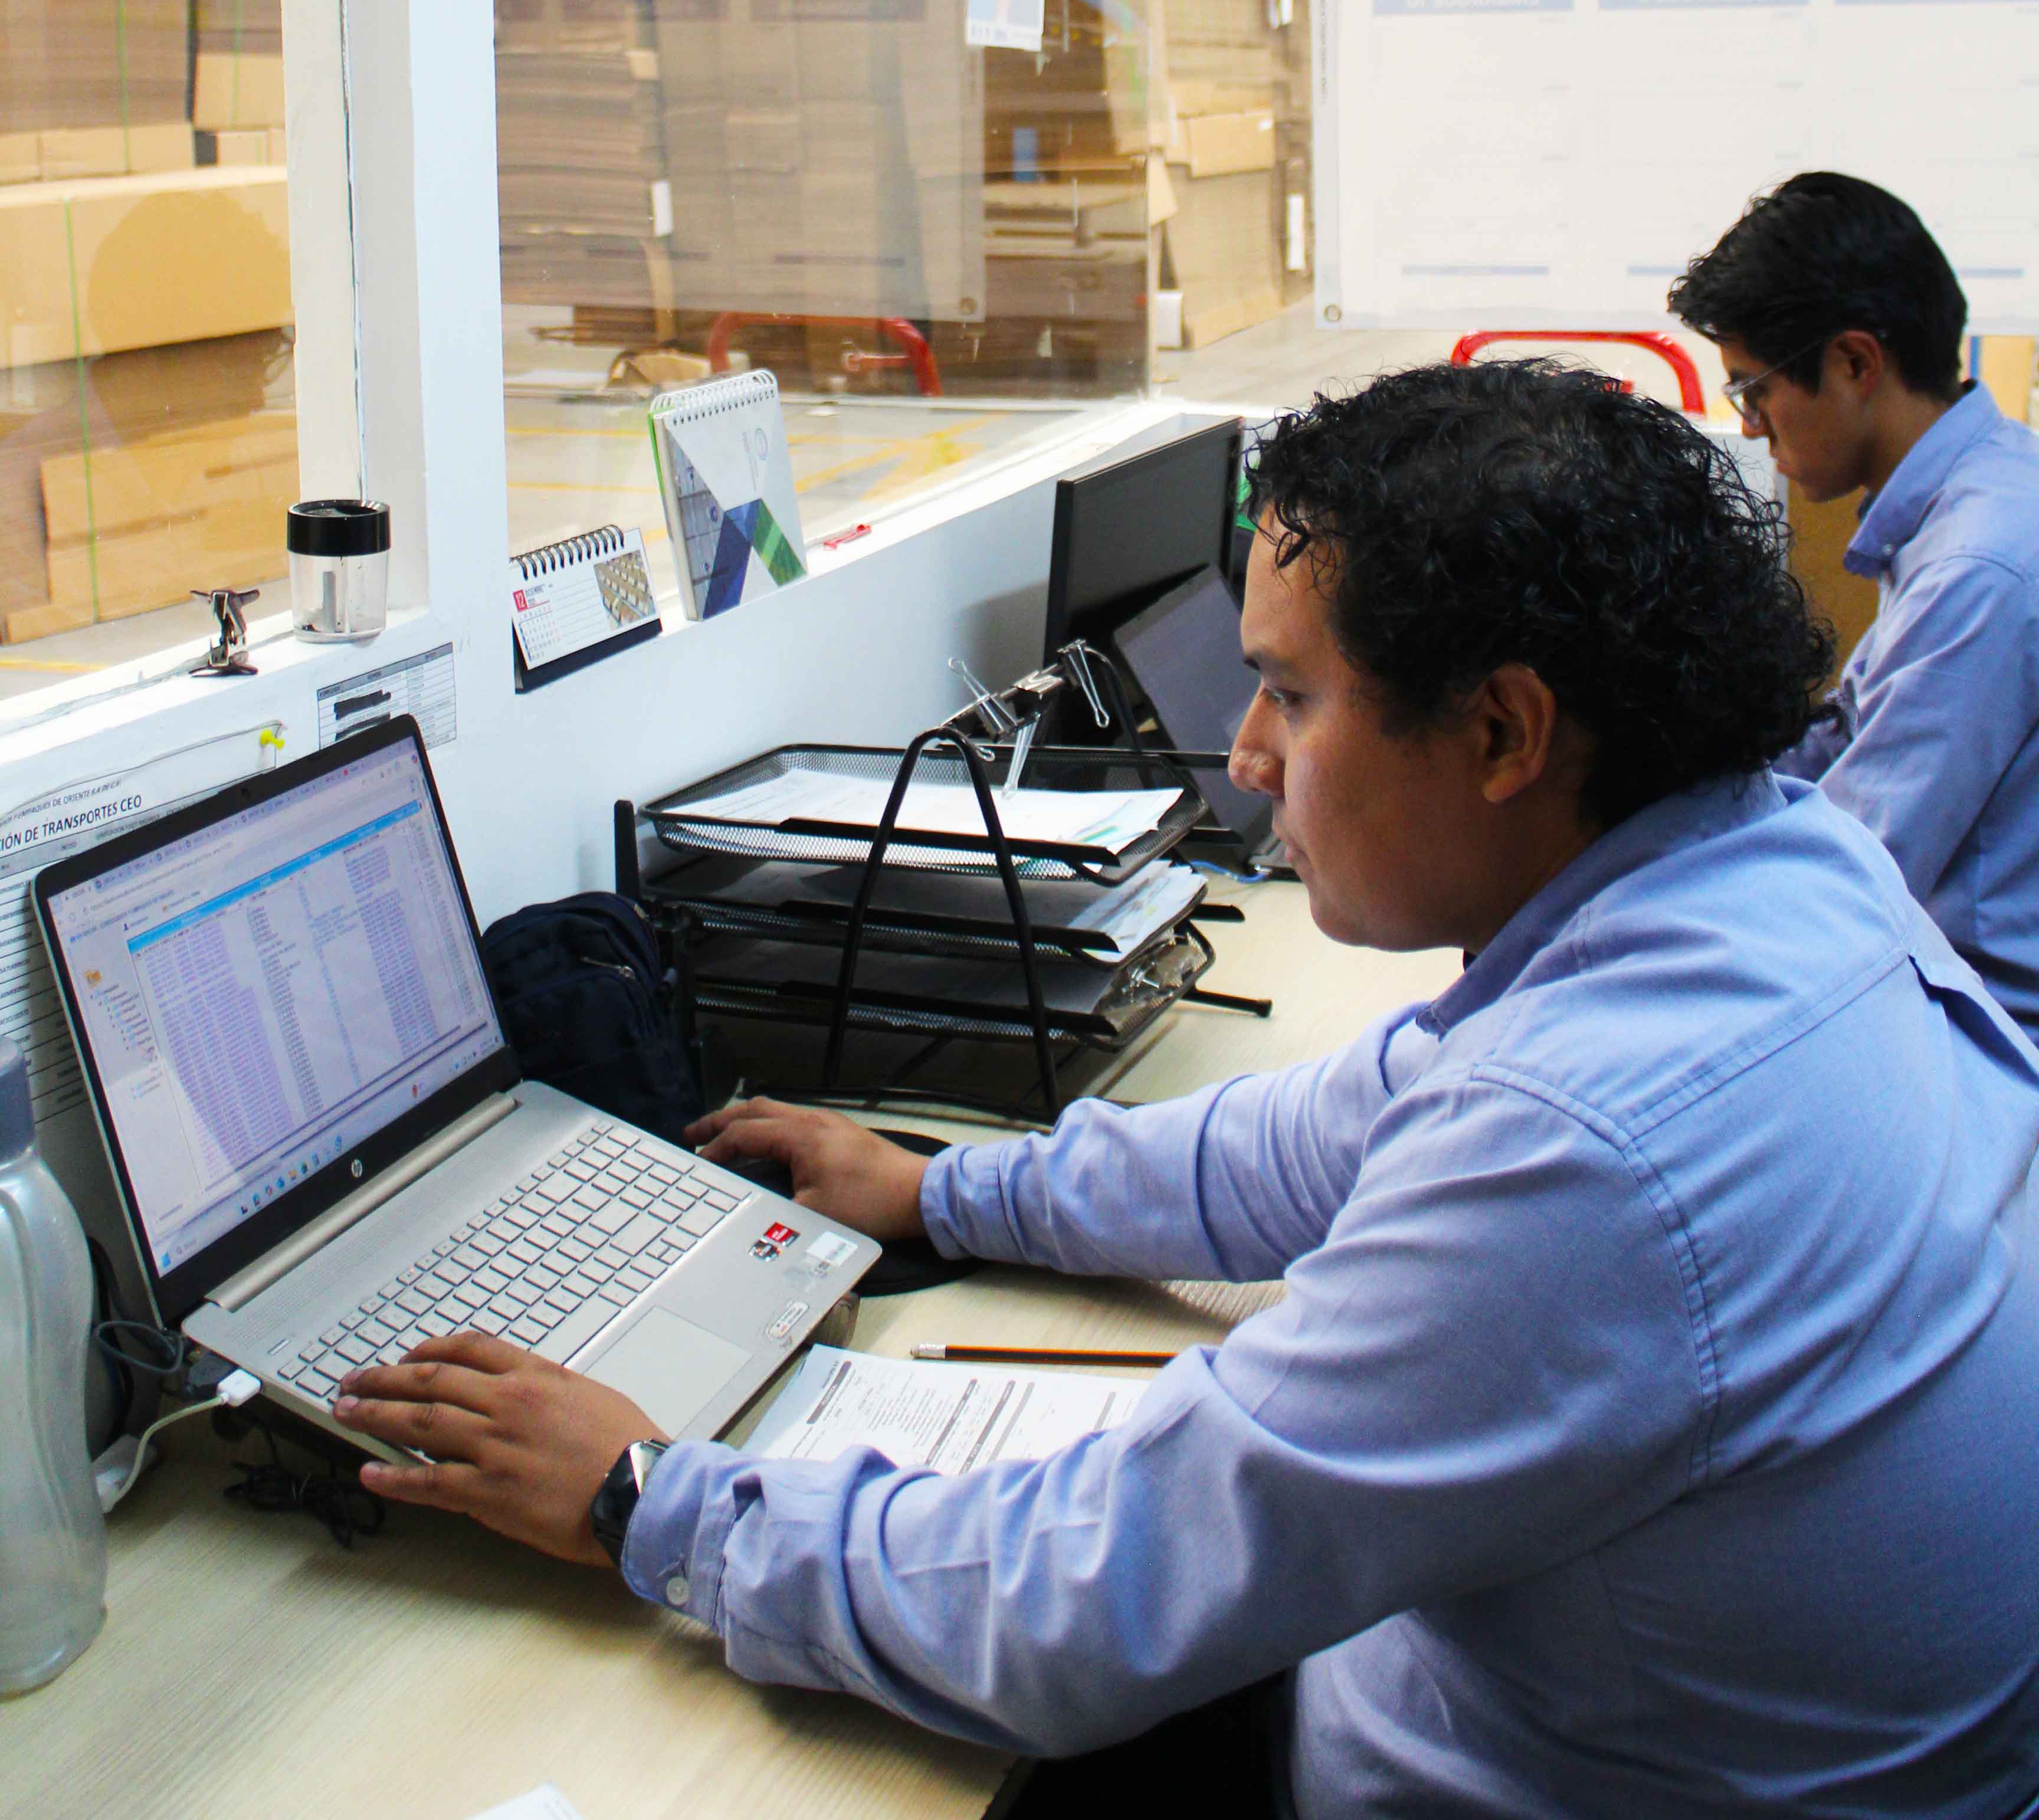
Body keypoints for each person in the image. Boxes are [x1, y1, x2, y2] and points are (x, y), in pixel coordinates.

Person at [332, 366, 2039, 1819]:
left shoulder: (1586, 1151)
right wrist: (941, 1192)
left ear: (1506, 735)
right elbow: (1331, 1130)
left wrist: (645, 1500)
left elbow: (1089, 1603)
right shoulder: (1775, 867)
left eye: (1291, 694)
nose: (1243, 755)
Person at [1671, 168, 2039, 1039]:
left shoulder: (1977, 569)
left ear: (1855, 363)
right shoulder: (1985, 484)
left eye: (1754, 389)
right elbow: (1844, 741)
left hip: (1990, 1034)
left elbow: (1855, 871)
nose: (1750, 425)